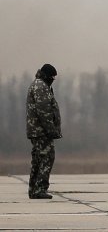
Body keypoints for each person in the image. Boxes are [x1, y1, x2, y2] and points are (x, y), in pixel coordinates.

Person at [26, 63, 61, 199]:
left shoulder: (39, 85)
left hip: (37, 130)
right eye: (52, 77)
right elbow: (43, 111)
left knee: (37, 159)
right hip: (41, 131)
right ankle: (39, 189)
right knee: (47, 157)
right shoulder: (41, 87)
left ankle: (33, 189)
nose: (53, 79)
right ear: (46, 75)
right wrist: (51, 130)